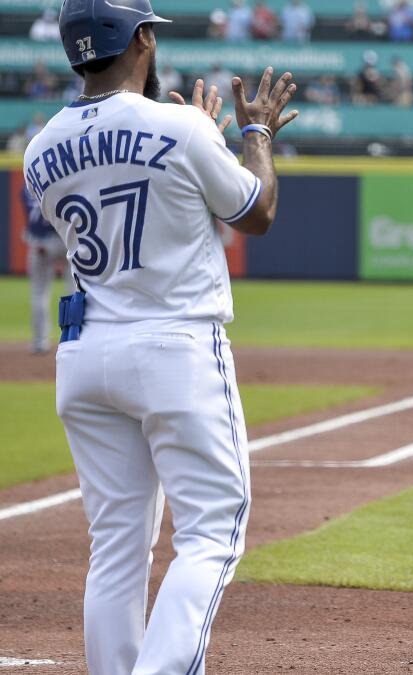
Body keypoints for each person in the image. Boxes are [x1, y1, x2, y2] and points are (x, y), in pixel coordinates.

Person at [24, 0, 298, 671]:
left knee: (117, 541)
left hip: (86, 353)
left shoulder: (37, 148)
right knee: (212, 529)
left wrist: (189, 135)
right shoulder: (178, 127)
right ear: (142, 37)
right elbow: (256, 211)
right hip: (174, 344)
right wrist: (254, 134)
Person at [24, 185, 77, 354]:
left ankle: (40, 343)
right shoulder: (64, 180)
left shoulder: (26, 188)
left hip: (42, 242)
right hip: (67, 239)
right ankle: (74, 339)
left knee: (39, 294)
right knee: (75, 292)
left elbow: (32, 217)